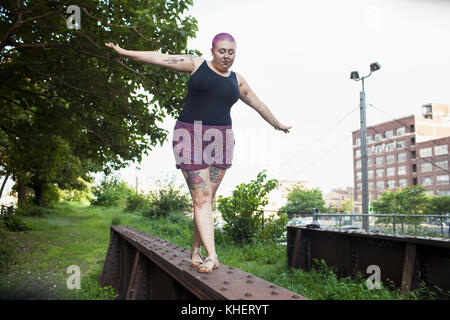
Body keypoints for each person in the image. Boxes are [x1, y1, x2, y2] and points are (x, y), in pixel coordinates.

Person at [105, 32, 292, 273]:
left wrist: (277, 124)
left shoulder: (237, 80)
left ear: (235, 53)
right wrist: (125, 52)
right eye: (221, 51)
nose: (226, 56)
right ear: (212, 51)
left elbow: (259, 104)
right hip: (189, 137)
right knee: (202, 197)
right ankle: (212, 256)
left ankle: (195, 251)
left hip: (221, 142)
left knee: (204, 200)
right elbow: (160, 58)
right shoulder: (196, 64)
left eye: (231, 52)